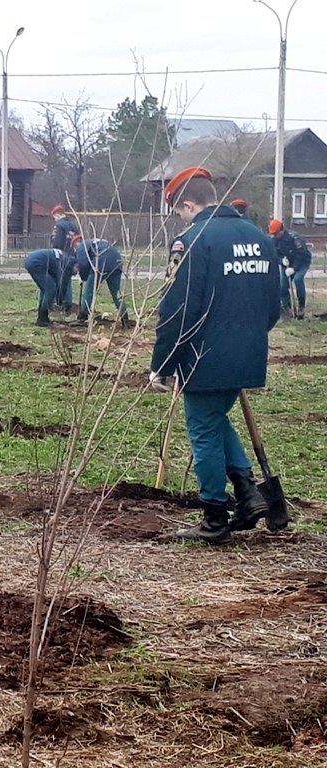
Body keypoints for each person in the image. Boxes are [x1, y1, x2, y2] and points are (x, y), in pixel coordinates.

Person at [150, 166, 280, 545]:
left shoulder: (192, 239)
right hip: (249, 350)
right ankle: (247, 493)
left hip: (205, 354)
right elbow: (274, 305)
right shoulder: (257, 235)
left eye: (179, 211)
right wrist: (247, 338)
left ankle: (213, 518)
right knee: (215, 419)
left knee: (203, 430)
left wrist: (162, 364)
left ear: (188, 204)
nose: (180, 219)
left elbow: (178, 309)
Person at [71, 234, 129, 325]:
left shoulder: (82, 246)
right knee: (116, 294)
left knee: (89, 292)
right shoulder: (99, 242)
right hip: (116, 262)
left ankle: (83, 317)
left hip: (100, 263)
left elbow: (83, 263)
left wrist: (83, 277)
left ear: (75, 243)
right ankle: (125, 318)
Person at [269, 218, 312, 319]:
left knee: (298, 279)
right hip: (287, 264)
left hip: (302, 263)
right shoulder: (274, 240)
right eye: (273, 234)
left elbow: (302, 254)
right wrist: (281, 260)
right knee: (283, 285)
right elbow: (274, 254)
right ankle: (287, 309)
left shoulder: (295, 238)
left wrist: (294, 268)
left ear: (282, 230)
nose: (275, 236)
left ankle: (301, 307)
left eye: (276, 233)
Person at [51, 205, 81, 312]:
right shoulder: (74, 225)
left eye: (54, 217)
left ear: (57, 214)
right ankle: (69, 304)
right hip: (73, 256)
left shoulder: (59, 226)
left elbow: (57, 243)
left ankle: (61, 303)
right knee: (67, 280)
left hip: (62, 256)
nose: (54, 219)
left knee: (61, 280)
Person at [23, 249, 62, 327]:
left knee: (45, 289)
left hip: (31, 261)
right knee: (50, 288)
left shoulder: (60, 258)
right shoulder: (63, 262)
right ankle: (43, 317)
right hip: (36, 263)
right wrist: (60, 299)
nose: (75, 274)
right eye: (77, 271)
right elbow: (59, 279)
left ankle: (42, 317)